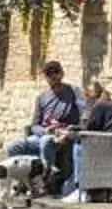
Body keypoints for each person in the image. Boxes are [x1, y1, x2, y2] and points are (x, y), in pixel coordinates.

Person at [24, 61, 83, 197]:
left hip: (61, 135)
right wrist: (45, 130)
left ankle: (46, 178)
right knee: (14, 145)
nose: (52, 78)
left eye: (55, 74)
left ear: (61, 74)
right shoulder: (42, 97)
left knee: (46, 141)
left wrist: (67, 129)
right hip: (44, 133)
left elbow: (82, 115)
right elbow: (34, 125)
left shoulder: (72, 92)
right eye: (49, 75)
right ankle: (22, 183)